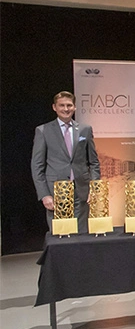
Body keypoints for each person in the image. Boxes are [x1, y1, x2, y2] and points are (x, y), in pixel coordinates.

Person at [31, 91, 101, 232]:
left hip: (81, 191)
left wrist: (94, 188)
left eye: (69, 105)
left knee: (81, 235)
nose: (66, 109)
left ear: (75, 107)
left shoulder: (85, 129)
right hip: (56, 192)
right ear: (54, 107)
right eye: (61, 105)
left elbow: (94, 162)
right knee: (60, 235)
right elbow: (37, 165)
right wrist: (44, 194)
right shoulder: (43, 130)